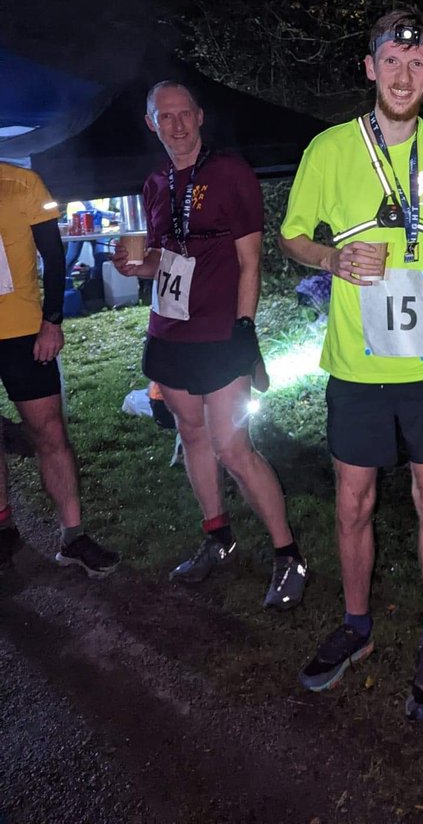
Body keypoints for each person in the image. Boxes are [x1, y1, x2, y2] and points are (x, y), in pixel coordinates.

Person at [279, 8, 423, 722]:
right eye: (391, 60)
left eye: (417, 65)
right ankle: (356, 627)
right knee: (353, 501)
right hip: (356, 369)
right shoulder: (329, 148)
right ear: (369, 67)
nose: (402, 74)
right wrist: (332, 259)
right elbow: (294, 235)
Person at [112, 81, 306, 610]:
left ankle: (288, 555)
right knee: (192, 436)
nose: (175, 125)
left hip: (221, 333)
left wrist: (246, 328)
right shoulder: (153, 184)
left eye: (183, 114)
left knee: (234, 448)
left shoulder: (230, 173)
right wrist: (135, 264)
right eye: (163, 116)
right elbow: (161, 256)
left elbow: (250, 260)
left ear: (199, 117)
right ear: (151, 123)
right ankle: (218, 537)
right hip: (168, 332)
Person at [0, 163, 120, 575]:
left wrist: (52, 321)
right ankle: (3, 529)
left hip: (22, 333)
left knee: (50, 432)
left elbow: (54, 256)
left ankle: (74, 536)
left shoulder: (22, 183)